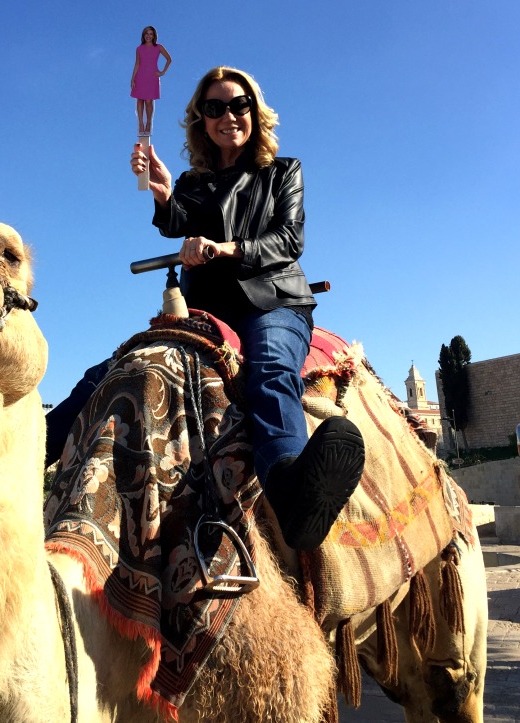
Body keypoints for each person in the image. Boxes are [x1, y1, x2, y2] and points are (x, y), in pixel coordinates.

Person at [128, 66, 365, 550]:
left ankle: (292, 493)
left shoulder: (284, 172)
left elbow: (289, 239)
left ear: (255, 113)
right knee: (120, 369)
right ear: (202, 120)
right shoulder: (194, 182)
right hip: (209, 311)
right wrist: (164, 192)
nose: (228, 115)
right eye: (214, 108)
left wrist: (225, 248)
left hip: (273, 302)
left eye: (238, 105)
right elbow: (179, 224)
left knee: (270, 369)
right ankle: (44, 449)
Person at [130, 26, 172, 136]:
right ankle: (140, 123)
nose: (148, 36)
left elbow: (169, 59)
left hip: (152, 76)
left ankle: (148, 122)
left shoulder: (158, 47)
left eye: (151, 34)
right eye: (147, 34)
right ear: (143, 35)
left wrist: (163, 72)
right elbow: (137, 64)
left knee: (149, 101)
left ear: (154, 36)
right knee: (140, 100)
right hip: (140, 76)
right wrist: (132, 78)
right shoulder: (139, 48)